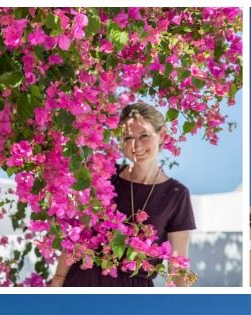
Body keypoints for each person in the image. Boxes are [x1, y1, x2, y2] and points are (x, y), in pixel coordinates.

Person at [51, 102, 196, 287]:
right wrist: (59, 278)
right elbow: (78, 234)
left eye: (144, 136)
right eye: (128, 138)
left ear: (161, 136)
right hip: (83, 280)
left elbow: (178, 264)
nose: (136, 145)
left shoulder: (177, 195)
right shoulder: (105, 176)